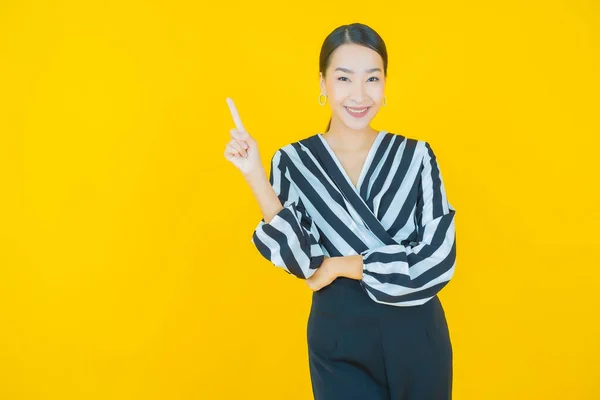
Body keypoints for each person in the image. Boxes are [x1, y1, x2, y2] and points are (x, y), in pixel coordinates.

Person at [224, 22, 456, 400]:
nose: (359, 94)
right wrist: (255, 176)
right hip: (338, 337)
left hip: (417, 333)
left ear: (385, 85)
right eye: (344, 78)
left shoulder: (416, 157)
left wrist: (342, 265)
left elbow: (439, 259)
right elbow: (304, 261)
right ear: (322, 83)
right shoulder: (293, 161)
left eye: (372, 78)